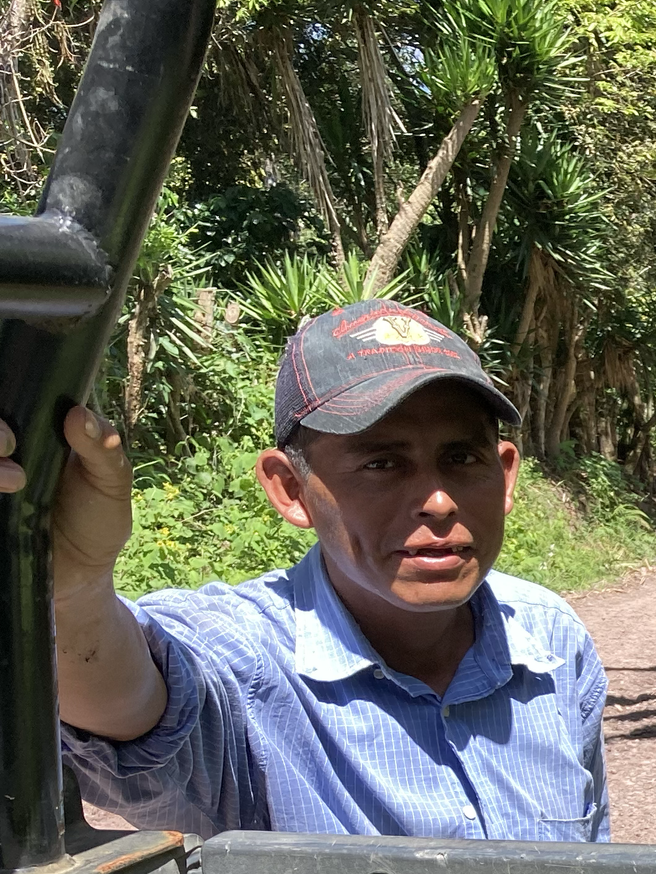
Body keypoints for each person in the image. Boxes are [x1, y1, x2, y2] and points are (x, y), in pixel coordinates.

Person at [16, 299, 608, 839]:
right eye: (381, 463)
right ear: (291, 489)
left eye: (461, 457)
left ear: (505, 474)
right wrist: (74, 590)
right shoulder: (251, 662)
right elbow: (127, 701)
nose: (438, 500)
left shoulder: (552, 639)